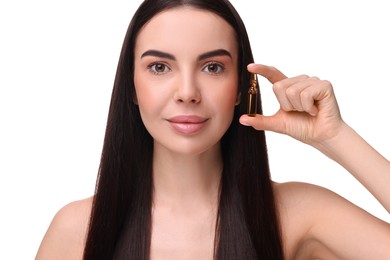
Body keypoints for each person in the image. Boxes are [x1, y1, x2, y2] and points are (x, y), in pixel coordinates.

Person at [35, 0, 390, 259]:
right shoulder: (77, 230)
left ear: (240, 87)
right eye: (159, 67)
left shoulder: (297, 215)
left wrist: (334, 136)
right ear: (131, 87)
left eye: (212, 67)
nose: (187, 93)